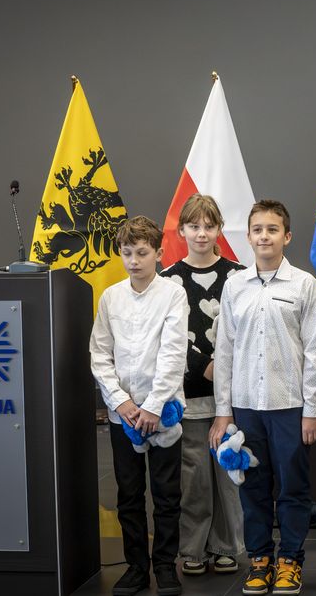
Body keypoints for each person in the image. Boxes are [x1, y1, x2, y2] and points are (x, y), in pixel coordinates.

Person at [210, 199, 316, 596]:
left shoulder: (303, 285)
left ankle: (290, 560)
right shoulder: (234, 286)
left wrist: (312, 410)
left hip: (290, 406)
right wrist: (223, 412)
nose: (265, 236)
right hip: (245, 407)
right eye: (258, 229)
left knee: (293, 487)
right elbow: (225, 351)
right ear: (248, 236)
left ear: (287, 236)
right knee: (252, 487)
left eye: (272, 229)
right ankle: (259, 559)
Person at [90, 215, 189, 596]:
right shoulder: (111, 297)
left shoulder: (172, 294)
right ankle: (136, 567)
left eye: (142, 253)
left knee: (166, 493)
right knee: (128, 494)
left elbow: (173, 354)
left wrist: (152, 406)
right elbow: (100, 354)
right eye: (127, 252)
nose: (134, 261)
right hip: (124, 415)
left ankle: (165, 565)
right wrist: (121, 402)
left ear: (159, 254)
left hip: (162, 412)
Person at [160, 194, 246, 577]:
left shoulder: (239, 276)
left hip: (233, 396)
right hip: (190, 395)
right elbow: (166, 337)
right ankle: (193, 548)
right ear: (181, 230)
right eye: (194, 226)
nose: (201, 233)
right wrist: (203, 366)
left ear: (219, 230)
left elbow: (248, 331)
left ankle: (226, 546)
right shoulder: (167, 281)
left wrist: (222, 367)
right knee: (193, 476)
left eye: (209, 226)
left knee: (228, 475)